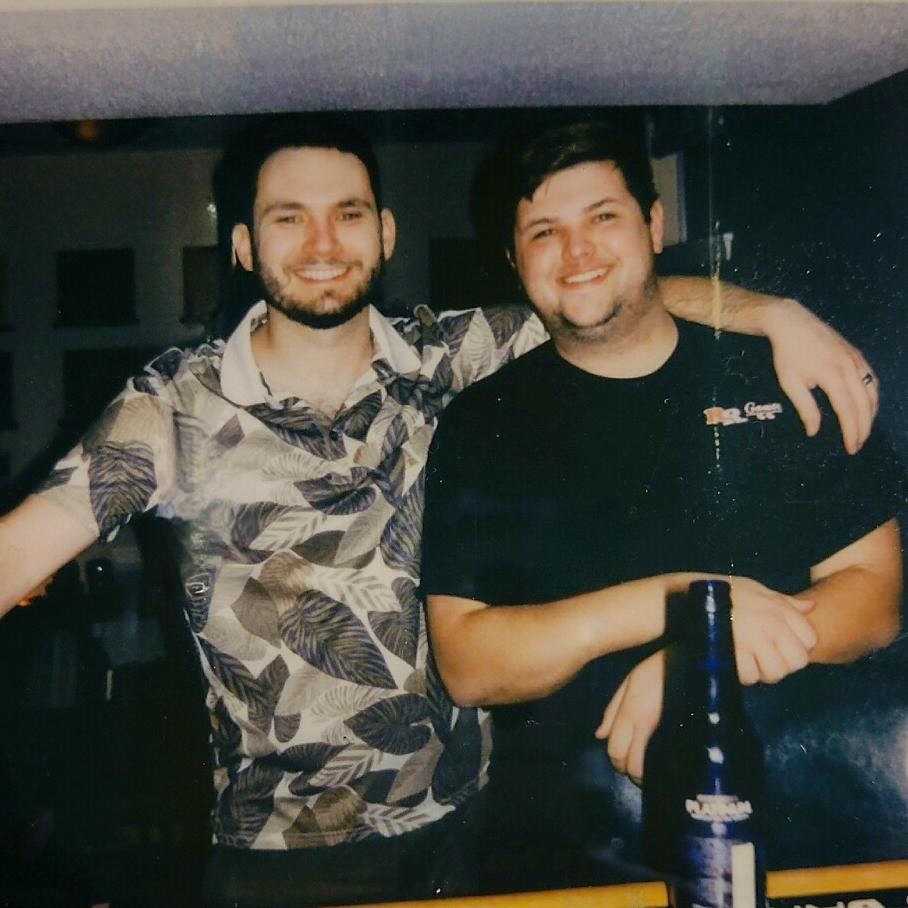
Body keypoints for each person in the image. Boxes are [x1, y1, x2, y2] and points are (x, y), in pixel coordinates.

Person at [0, 117, 885, 908]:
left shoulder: (445, 358)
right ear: (242, 244)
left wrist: (778, 315)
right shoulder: (172, 409)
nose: (322, 242)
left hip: (472, 829)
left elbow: (601, 297)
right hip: (289, 858)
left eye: (348, 213)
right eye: (288, 217)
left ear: (384, 233)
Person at [420, 119, 903, 892]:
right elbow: (470, 665)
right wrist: (686, 608)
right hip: (591, 820)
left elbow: (876, 597)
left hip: (815, 784)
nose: (577, 251)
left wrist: (701, 666)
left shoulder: (779, 373)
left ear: (653, 224)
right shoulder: (484, 424)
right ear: (514, 259)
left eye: (603, 216)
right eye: (545, 232)